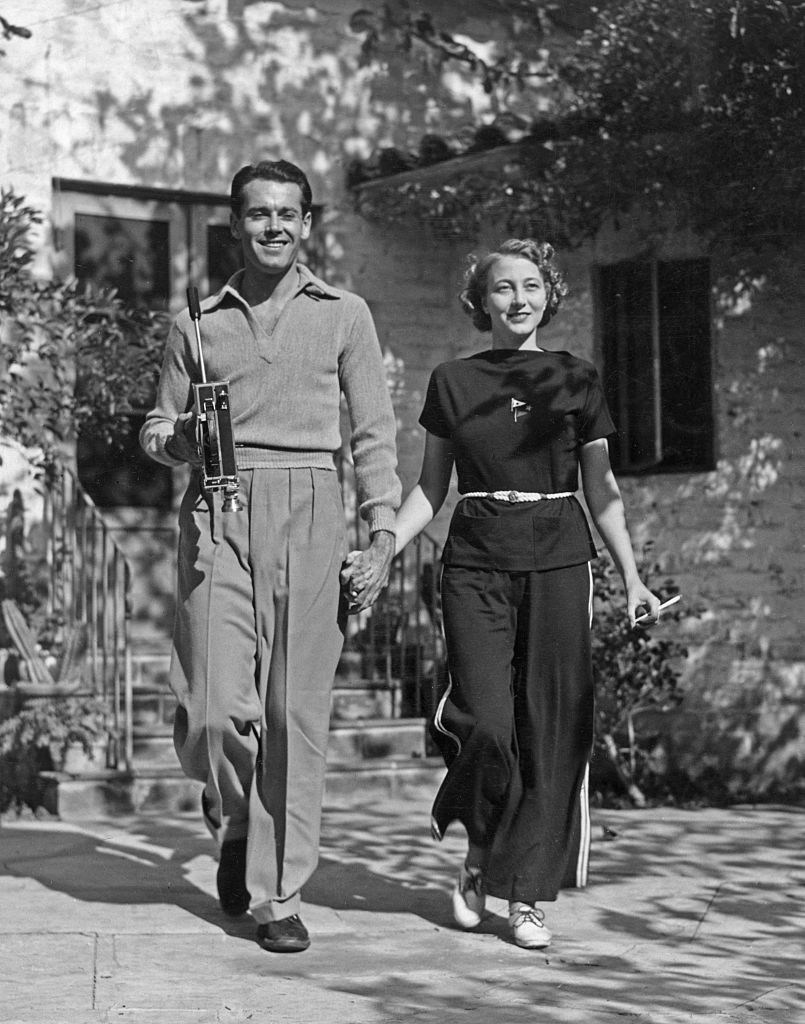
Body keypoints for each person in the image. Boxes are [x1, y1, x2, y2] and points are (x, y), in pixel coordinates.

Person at [343, 238, 661, 950]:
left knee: (550, 729)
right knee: (484, 721)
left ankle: (522, 892)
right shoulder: (452, 380)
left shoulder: (576, 379)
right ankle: (479, 850)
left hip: (557, 559)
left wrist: (631, 576)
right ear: (479, 302)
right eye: (501, 289)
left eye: (529, 286)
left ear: (547, 293)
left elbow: (601, 490)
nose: (517, 299)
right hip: (476, 558)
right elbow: (431, 489)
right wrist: (387, 543)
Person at [140, 159, 400, 953]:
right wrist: (178, 437)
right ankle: (232, 823)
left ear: (308, 223)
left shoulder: (345, 314)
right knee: (215, 708)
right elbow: (155, 426)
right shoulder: (196, 323)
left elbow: (373, 434)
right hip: (218, 507)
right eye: (258, 214)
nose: (274, 227)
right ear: (235, 223)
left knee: (293, 713)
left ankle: (276, 894)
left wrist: (382, 533)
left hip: (314, 509)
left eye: (288, 213)